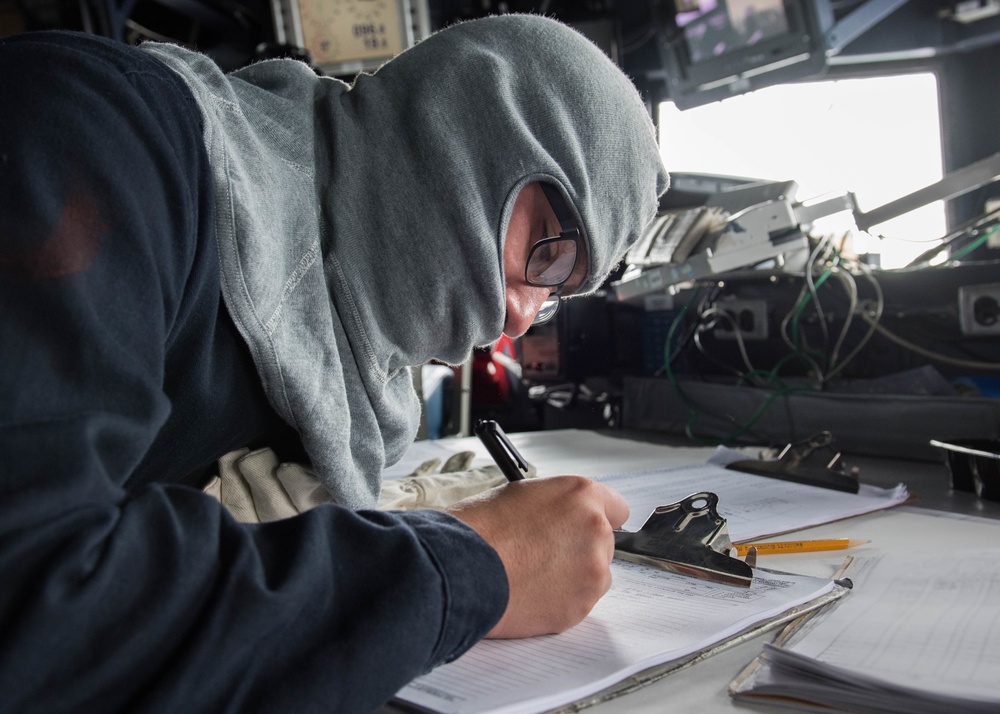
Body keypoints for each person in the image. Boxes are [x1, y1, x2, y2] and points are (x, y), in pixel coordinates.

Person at [0, 12, 669, 713]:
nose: (520, 318)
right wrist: (474, 563)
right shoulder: (98, 132)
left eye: (558, 293)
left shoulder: (345, 404)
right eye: (550, 254)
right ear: (478, 132)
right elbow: (33, 605)